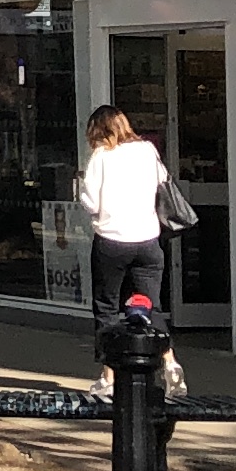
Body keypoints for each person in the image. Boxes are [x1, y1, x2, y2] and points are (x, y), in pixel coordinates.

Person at [79, 103, 171, 323]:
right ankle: (165, 355)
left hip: (112, 240)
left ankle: (108, 357)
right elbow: (163, 180)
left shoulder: (101, 156)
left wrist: (80, 191)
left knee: (107, 306)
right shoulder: (147, 149)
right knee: (152, 306)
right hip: (148, 240)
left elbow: (91, 203)